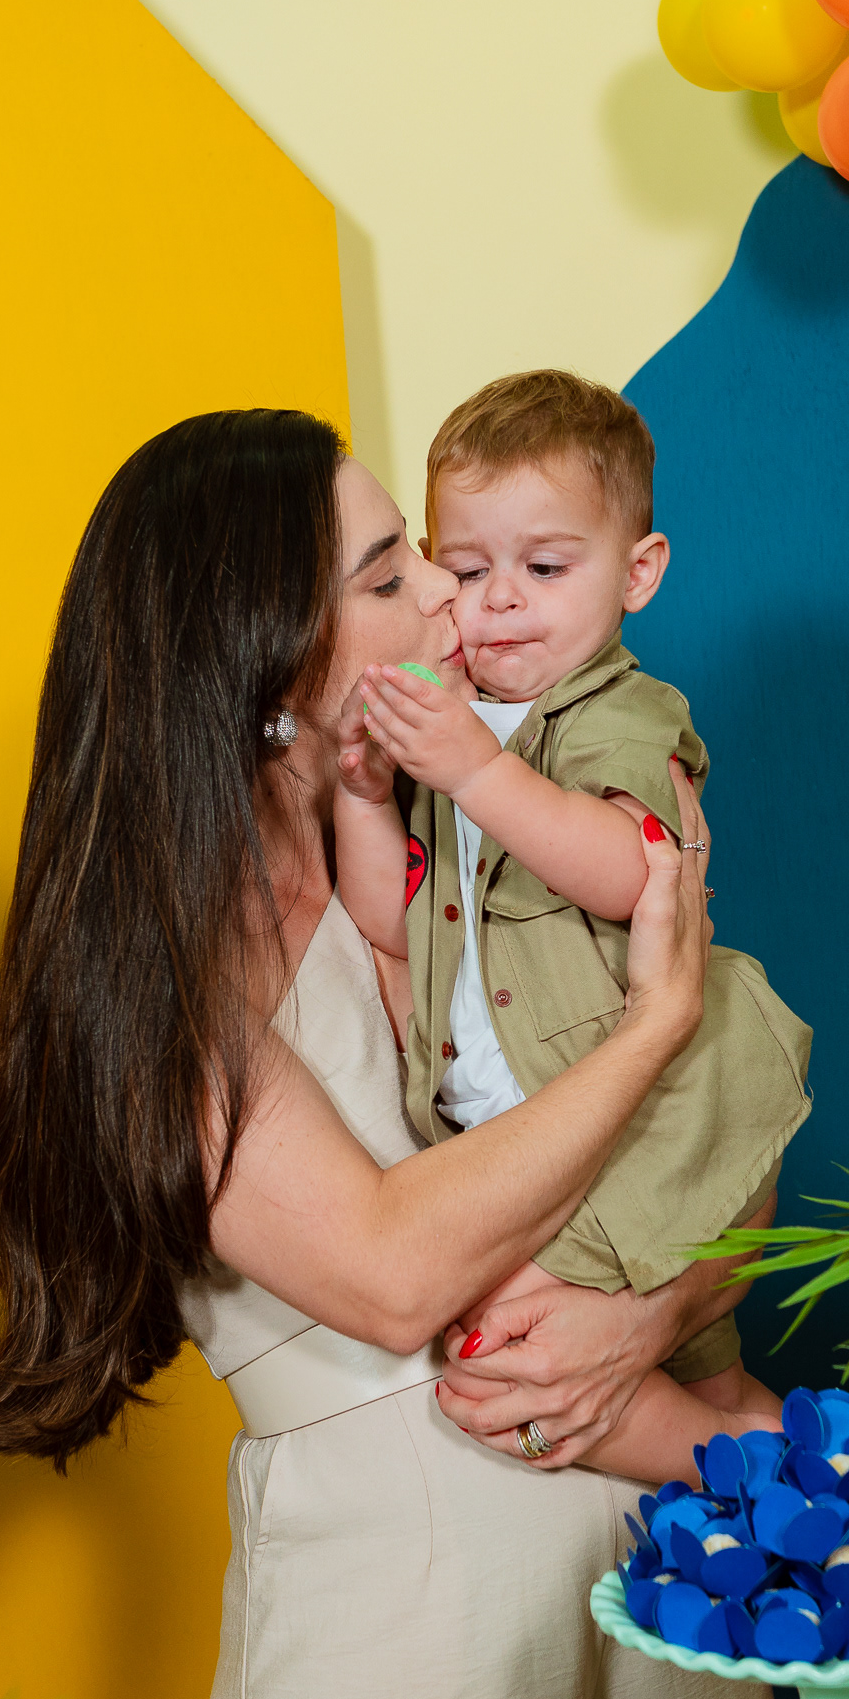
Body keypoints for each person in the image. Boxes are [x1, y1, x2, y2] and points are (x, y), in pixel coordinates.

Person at [0, 409, 782, 1699]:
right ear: (266, 648)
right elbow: (392, 1272)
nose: (450, 594)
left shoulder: (465, 838)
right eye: (391, 573)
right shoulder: (158, 980)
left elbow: (724, 1160)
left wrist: (648, 1314)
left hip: (663, 1593)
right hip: (413, 1648)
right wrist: (653, 1024)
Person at [334, 372, 810, 1479]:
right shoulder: (448, 719)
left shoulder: (621, 713)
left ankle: (800, 1484)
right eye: (467, 571)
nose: (500, 600)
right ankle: (781, 1487)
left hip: (632, 1121)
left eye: (544, 568)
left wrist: (474, 769)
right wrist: (363, 798)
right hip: (516, 1128)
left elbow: (633, 872)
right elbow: (394, 926)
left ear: (636, 572)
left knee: (514, 1333)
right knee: (689, 1368)